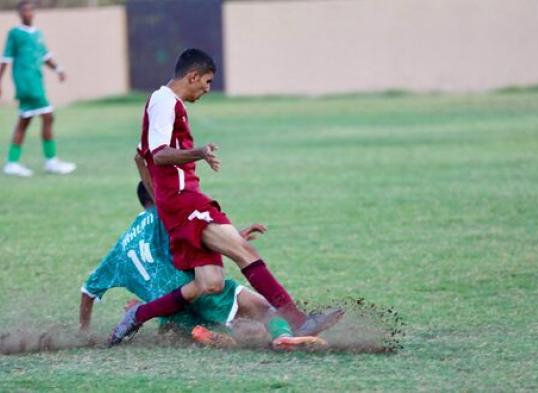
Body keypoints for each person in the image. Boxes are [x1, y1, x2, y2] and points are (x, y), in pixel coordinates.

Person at [110, 48, 342, 345]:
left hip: (177, 204)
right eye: (206, 82)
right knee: (243, 250)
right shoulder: (164, 101)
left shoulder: (166, 104)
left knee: (210, 283)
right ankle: (299, 321)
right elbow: (159, 154)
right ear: (192, 76)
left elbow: (140, 158)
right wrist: (199, 153)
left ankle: (139, 315)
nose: (208, 89)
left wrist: (162, 206)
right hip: (184, 200)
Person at [80, 182, 327, 351]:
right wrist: (234, 241)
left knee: (181, 326)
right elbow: (196, 244)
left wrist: (84, 330)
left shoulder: (121, 246)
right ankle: (282, 336)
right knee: (266, 310)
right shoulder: (164, 217)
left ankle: (204, 333)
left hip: (165, 307)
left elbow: (88, 290)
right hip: (198, 287)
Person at [0, 0, 75, 177]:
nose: (28, 13)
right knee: (48, 116)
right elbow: (5, 59)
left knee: (25, 121)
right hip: (26, 83)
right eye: (25, 10)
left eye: (31, 10)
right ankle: (50, 161)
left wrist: (58, 69)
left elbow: (45, 56)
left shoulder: (37, 34)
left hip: (37, 81)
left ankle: (12, 162)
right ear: (19, 14)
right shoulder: (15, 34)